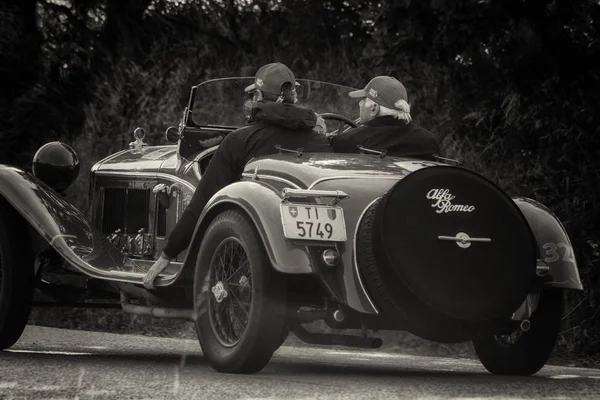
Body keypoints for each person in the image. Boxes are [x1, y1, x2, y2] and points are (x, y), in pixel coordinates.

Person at [143, 62, 332, 289]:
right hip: (317, 257)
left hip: (251, 254)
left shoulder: (239, 141)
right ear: (294, 97)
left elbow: (203, 203)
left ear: (259, 95)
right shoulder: (320, 141)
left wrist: (167, 253)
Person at [331, 76, 441, 160]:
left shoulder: (350, 140)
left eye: (363, 100)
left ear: (374, 108)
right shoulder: (430, 141)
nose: (360, 103)